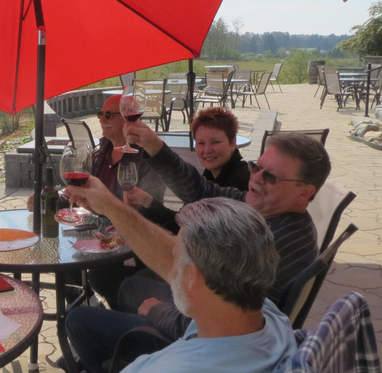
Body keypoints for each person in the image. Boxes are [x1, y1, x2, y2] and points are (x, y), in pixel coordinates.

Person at [65, 124, 330, 372]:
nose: (256, 179)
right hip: (228, 331)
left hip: (193, 335)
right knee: (130, 287)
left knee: (78, 320)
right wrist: (155, 147)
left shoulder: (272, 241)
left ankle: (116, 350)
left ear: (305, 193)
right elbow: (201, 190)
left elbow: (221, 322)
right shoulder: (262, 213)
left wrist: (157, 311)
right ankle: (117, 343)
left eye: (270, 176)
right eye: (255, 167)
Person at [67, 181, 296, 373]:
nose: (170, 266)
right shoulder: (268, 315)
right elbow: (168, 256)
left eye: (177, 259)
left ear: (193, 277)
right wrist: (109, 204)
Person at [28, 94, 167, 307]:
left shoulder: (145, 159)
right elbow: (76, 191)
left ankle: (102, 317)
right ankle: (89, 307)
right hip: (97, 235)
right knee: (60, 258)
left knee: (98, 274)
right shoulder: (99, 154)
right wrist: (48, 200)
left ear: (131, 120)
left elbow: (150, 209)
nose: (102, 120)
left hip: (130, 242)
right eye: (100, 114)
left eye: (109, 115)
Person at [192, 106, 250, 191]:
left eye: (215, 142)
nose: (207, 150)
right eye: (201, 143)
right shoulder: (209, 176)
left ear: (233, 143)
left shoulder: (241, 184)